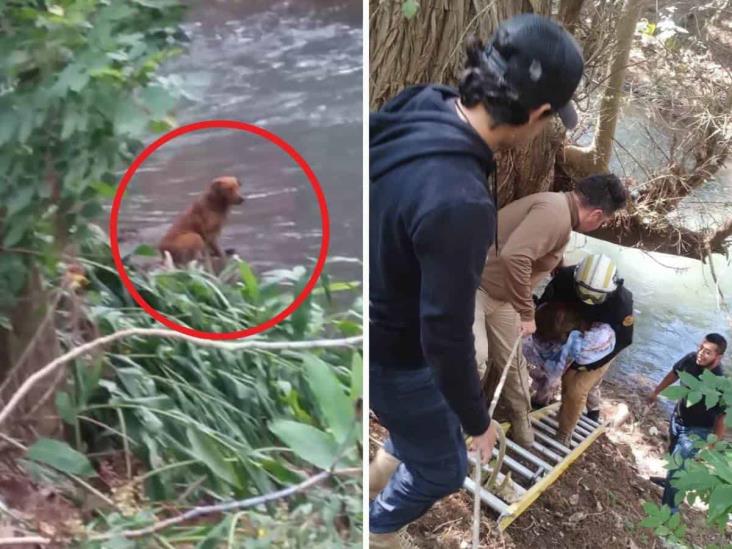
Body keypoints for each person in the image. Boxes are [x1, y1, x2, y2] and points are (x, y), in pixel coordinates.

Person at [369, 14, 584, 547]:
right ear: (536, 114)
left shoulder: (423, 102)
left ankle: (368, 485)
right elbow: (443, 334)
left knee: (416, 431)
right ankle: (375, 528)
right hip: (392, 354)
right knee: (442, 469)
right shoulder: (460, 202)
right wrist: (476, 419)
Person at [474, 176, 628, 448]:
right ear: (596, 214)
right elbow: (515, 257)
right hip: (475, 286)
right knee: (476, 357)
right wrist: (526, 312)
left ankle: (523, 429)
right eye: (602, 222)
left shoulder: (560, 215)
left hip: (502, 297)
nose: (599, 226)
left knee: (515, 369)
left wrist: (555, 265)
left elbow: (533, 251)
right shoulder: (554, 214)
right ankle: (445, 421)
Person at [536, 254, 634, 445]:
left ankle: (565, 432)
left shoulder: (623, 302)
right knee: (552, 372)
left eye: (595, 296)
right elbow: (544, 305)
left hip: (601, 345)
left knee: (575, 389)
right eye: (584, 293)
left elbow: (624, 340)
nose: (588, 299)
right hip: (569, 328)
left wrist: (589, 365)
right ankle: (542, 397)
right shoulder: (564, 278)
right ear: (575, 280)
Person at [647, 334, 727, 513]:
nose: (700, 354)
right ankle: (668, 482)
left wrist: (713, 445)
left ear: (718, 357)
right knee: (672, 454)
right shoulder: (691, 359)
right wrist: (656, 391)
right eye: (700, 348)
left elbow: (722, 417)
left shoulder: (719, 382)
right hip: (678, 418)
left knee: (678, 472)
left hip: (698, 430)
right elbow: (674, 374)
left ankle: (668, 516)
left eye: (707, 352)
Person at [524, 301, 616, 407]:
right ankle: (542, 400)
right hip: (568, 334)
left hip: (594, 353)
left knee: (587, 384)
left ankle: (593, 409)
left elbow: (555, 374)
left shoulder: (599, 337)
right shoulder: (549, 318)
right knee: (550, 373)